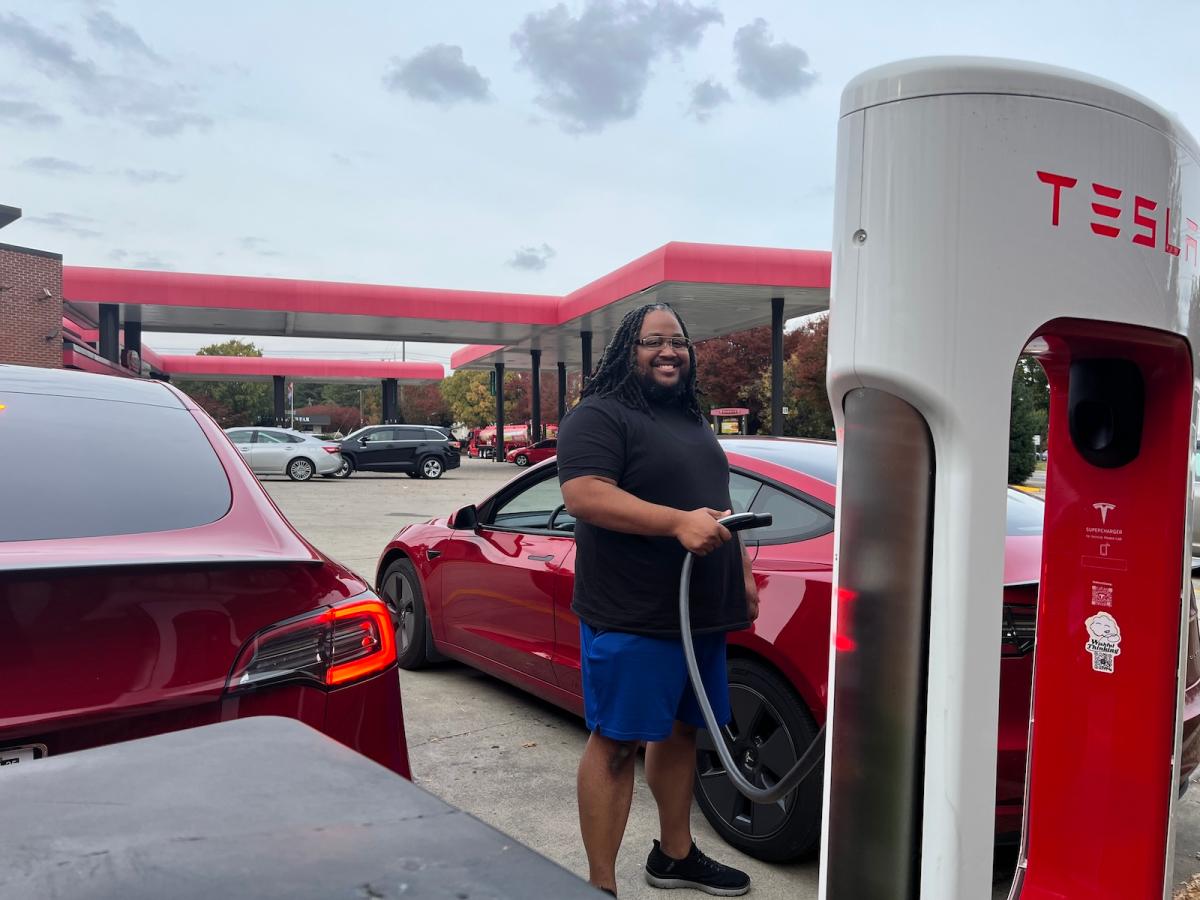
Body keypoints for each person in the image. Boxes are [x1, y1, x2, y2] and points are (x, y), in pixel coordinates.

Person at [557, 302, 758, 897]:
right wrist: (675, 523)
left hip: (701, 614)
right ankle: (600, 885)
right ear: (628, 351)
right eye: (653, 342)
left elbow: (716, 502)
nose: (669, 352)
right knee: (617, 743)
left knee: (681, 733)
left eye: (679, 342)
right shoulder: (599, 415)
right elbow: (585, 495)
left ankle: (675, 856)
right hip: (634, 614)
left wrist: (742, 573)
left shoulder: (692, 422)